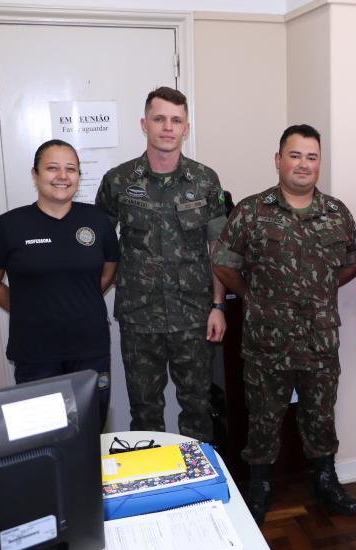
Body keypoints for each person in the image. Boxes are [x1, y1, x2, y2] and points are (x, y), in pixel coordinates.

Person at [211, 124, 356, 525]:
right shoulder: (251, 212)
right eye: (295, 155)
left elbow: (351, 264)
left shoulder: (337, 214)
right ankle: (259, 486)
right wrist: (253, 296)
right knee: (263, 418)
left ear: (319, 163)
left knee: (321, 416)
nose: (303, 164)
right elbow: (223, 264)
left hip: (319, 341)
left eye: (312, 157)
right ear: (278, 160)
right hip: (267, 342)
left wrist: (320, 289)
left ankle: (325, 481)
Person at [95, 87, 228, 442]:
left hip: (193, 315)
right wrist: (96, 293)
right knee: (144, 412)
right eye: (159, 119)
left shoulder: (205, 180)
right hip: (139, 317)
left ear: (186, 128)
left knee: (198, 407)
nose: (168, 128)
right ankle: (153, 477)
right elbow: (101, 248)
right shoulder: (118, 181)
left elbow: (218, 249)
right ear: (145, 124)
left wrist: (218, 306)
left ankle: (196, 477)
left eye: (176, 120)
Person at [0, 139, 118, 426]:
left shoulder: (97, 221)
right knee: (42, 433)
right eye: (52, 168)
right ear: (35, 174)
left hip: (89, 349)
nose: (62, 176)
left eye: (71, 169)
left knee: (90, 430)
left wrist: (80, 302)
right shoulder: (8, 226)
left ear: (78, 176)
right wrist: (27, 309)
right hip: (35, 353)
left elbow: (108, 271)